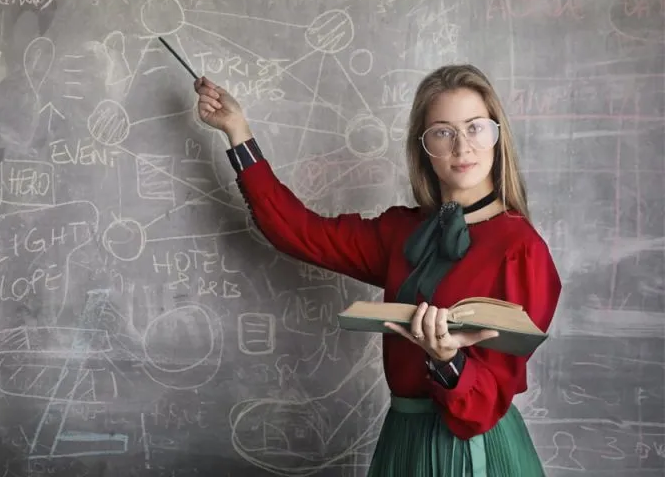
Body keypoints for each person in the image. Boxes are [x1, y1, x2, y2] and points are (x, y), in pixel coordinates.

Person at [194, 64, 561, 476]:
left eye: (475, 128)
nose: (462, 147)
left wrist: (447, 360)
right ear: (423, 147)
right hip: (401, 440)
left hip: (470, 451)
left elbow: (485, 405)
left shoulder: (520, 250)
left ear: (497, 136)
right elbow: (297, 232)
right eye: (443, 132)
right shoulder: (401, 231)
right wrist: (238, 131)